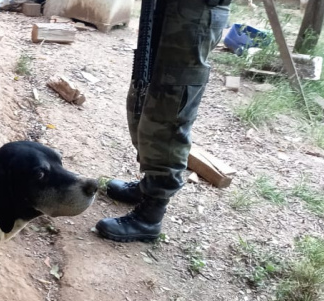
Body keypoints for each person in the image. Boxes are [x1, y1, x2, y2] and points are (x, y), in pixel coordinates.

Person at [96, 0, 232, 243]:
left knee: (170, 109)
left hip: (196, 11)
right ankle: (149, 184)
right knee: (146, 94)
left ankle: (151, 214)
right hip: (169, 7)